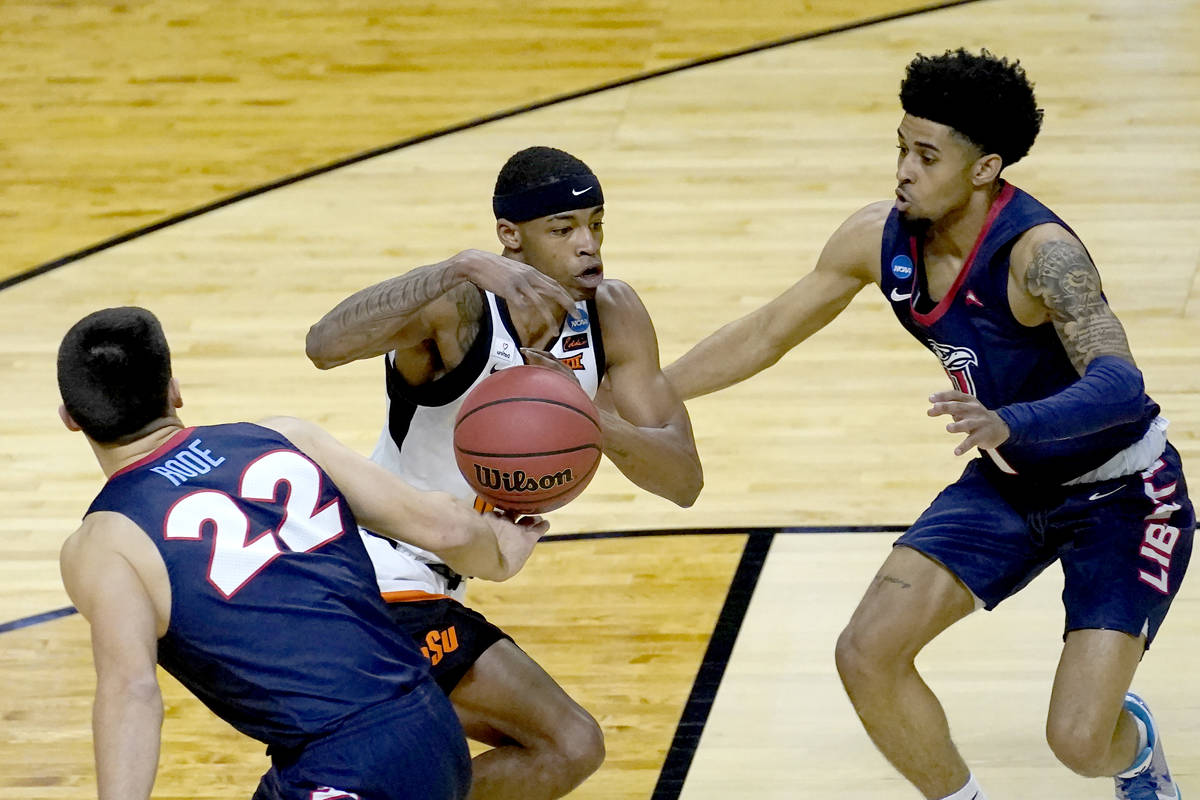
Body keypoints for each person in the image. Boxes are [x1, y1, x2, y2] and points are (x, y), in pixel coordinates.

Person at [663, 49, 1192, 800]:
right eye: (901, 148)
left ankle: (1133, 753)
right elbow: (766, 332)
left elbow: (1120, 381)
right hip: (1010, 485)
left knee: (1079, 743)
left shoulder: (1042, 256)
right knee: (865, 651)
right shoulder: (878, 237)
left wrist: (1015, 420)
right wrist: (647, 396)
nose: (904, 170)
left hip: (1124, 496)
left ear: (985, 169)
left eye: (926, 155)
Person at [305, 145, 702, 799]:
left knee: (512, 754)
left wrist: (588, 419)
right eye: (564, 229)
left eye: (597, 225)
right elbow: (323, 345)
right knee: (565, 744)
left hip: (437, 584)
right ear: (509, 238)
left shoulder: (611, 314)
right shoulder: (460, 309)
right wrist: (454, 267)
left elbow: (683, 480)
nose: (589, 248)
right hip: (371, 577)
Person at [57, 306, 549, 800]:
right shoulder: (286, 438)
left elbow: (131, 692)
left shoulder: (104, 544)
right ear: (174, 389)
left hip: (341, 764)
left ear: (71, 419)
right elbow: (442, 528)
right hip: (433, 727)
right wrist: (501, 556)